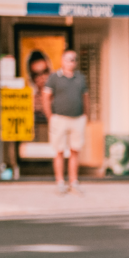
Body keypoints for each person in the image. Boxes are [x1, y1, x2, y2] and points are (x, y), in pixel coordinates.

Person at [42, 50, 89, 195]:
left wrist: (86, 115)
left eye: (74, 59)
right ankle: (60, 182)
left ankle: (74, 182)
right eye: (69, 59)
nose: (71, 61)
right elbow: (45, 97)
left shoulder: (80, 78)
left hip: (77, 119)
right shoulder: (54, 77)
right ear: (62, 61)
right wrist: (50, 116)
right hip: (59, 119)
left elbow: (85, 97)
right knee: (59, 151)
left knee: (75, 151)